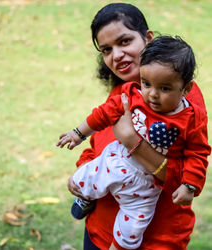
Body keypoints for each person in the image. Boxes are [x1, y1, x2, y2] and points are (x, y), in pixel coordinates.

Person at [62, 3, 210, 250]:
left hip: (153, 239)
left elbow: (180, 178)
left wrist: (132, 142)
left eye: (124, 41)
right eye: (107, 49)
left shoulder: (182, 102)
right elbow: (98, 142)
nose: (116, 55)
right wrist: (86, 166)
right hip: (99, 230)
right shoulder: (124, 91)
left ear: (148, 39)